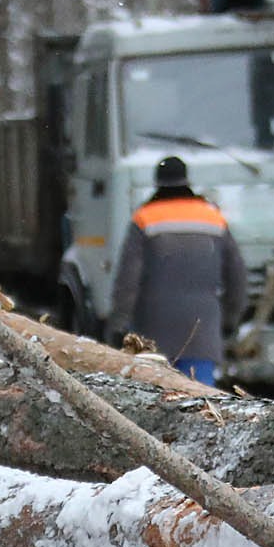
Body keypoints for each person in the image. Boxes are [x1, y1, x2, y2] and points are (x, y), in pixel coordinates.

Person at [108, 156, 246, 385]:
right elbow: (237, 277)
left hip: (152, 331)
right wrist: (230, 319)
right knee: (200, 399)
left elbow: (128, 280)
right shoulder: (213, 218)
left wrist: (118, 323)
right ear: (187, 180)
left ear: (158, 182)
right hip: (202, 332)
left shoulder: (144, 219)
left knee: (155, 396)